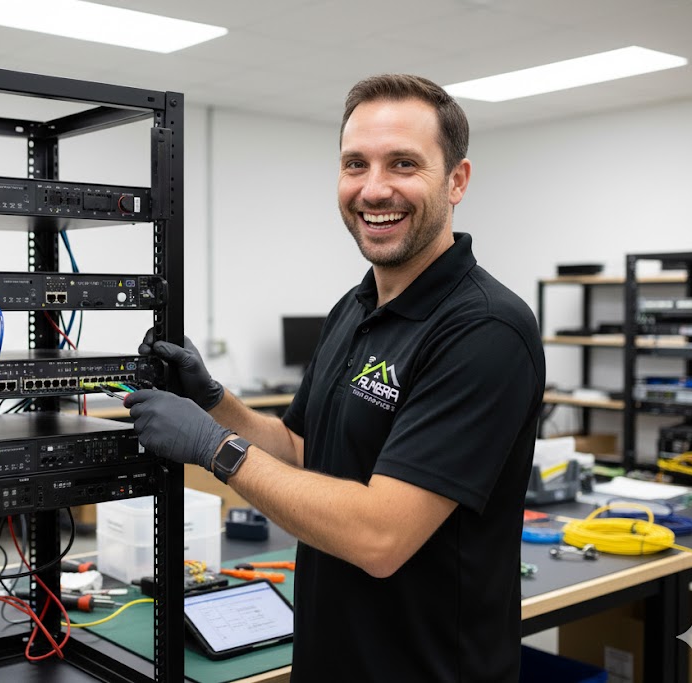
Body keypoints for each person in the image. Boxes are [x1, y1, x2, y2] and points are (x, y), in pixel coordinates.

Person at [124, 74, 545, 682]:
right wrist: (215, 402)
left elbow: (381, 536)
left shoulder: (485, 330)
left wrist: (211, 447)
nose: (374, 189)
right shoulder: (355, 308)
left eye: (403, 164)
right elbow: (303, 451)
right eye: (355, 164)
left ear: (457, 181)